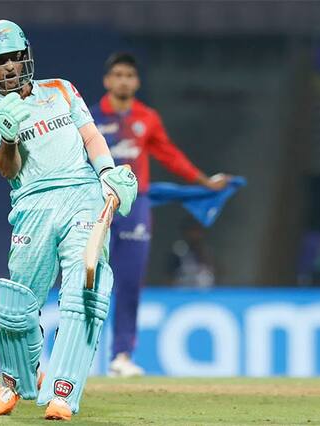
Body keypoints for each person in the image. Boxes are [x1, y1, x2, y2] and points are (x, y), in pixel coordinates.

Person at [0, 21, 138, 420]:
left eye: (13, 58)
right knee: (15, 305)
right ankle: (17, 383)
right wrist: (9, 138)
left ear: (25, 56)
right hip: (32, 206)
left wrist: (107, 173)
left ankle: (63, 392)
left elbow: (91, 137)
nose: (8, 67)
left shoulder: (61, 89)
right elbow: (8, 170)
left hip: (82, 195)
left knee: (85, 291)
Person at [90, 52, 230, 377]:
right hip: (97, 203)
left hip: (135, 206)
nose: (123, 81)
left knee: (129, 281)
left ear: (137, 82)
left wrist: (204, 181)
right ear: (107, 81)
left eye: (129, 75)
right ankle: (79, 352)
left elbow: (169, 155)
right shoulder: (90, 117)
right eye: (118, 75)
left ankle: (121, 356)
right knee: (87, 278)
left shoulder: (147, 118)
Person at [167, 217, 216, 288]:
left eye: (197, 231)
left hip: (204, 291)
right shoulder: (177, 252)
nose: (194, 234)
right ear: (184, 233)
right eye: (191, 231)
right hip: (182, 291)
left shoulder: (207, 252)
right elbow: (169, 278)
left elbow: (214, 273)